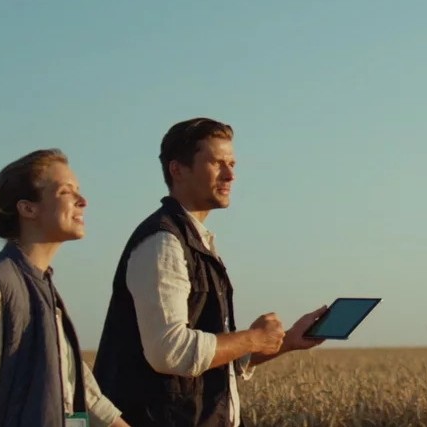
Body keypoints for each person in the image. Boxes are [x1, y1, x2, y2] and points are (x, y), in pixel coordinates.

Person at [93, 118, 329, 426]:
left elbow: (205, 363)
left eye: (232, 163)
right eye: (217, 163)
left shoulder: (193, 240)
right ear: (177, 170)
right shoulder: (162, 242)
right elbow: (171, 352)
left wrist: (285, 342)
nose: (230, 174)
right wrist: (252, 338)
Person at [0, 149, 128, 427]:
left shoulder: (44, 289)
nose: (83, 201)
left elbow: (78, 393)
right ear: (28, 208)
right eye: (66, 192)